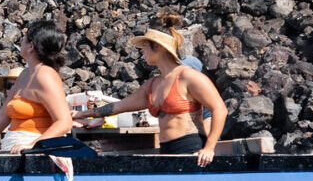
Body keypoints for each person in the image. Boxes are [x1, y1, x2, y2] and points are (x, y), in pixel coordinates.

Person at [74, 25, 228, 166]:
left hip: (191, 147)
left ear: (159, 47)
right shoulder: (152, 84)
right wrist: (79, 114)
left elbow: (219, 109)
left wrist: (209, 148)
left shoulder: (188, 77)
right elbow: (118, 106)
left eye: (145, 47)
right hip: (166, 149)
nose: (142, 51)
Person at [0, 21, 75, 176]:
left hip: (36, 150)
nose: (21, 41)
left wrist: (34, 145)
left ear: (31, 46)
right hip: (16, 148)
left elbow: (64, 122)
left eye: (24, 38)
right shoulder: (25, 74)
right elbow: (3, 114)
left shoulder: (45, 75)